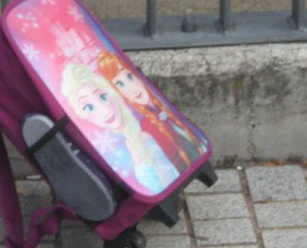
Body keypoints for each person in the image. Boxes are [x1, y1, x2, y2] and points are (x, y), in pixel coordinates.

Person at [60, 62, 179, 195]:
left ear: (111, 92)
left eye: (103, 97)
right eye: (89, 108)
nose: (105, 110)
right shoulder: (128, 141)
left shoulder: (146, 131)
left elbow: (170, 178)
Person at [96, 50, 207, 170]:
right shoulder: (148, 125)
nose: (132, 88)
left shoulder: (159, 106)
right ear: (118, 92)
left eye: (129, 76)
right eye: (120, 85)